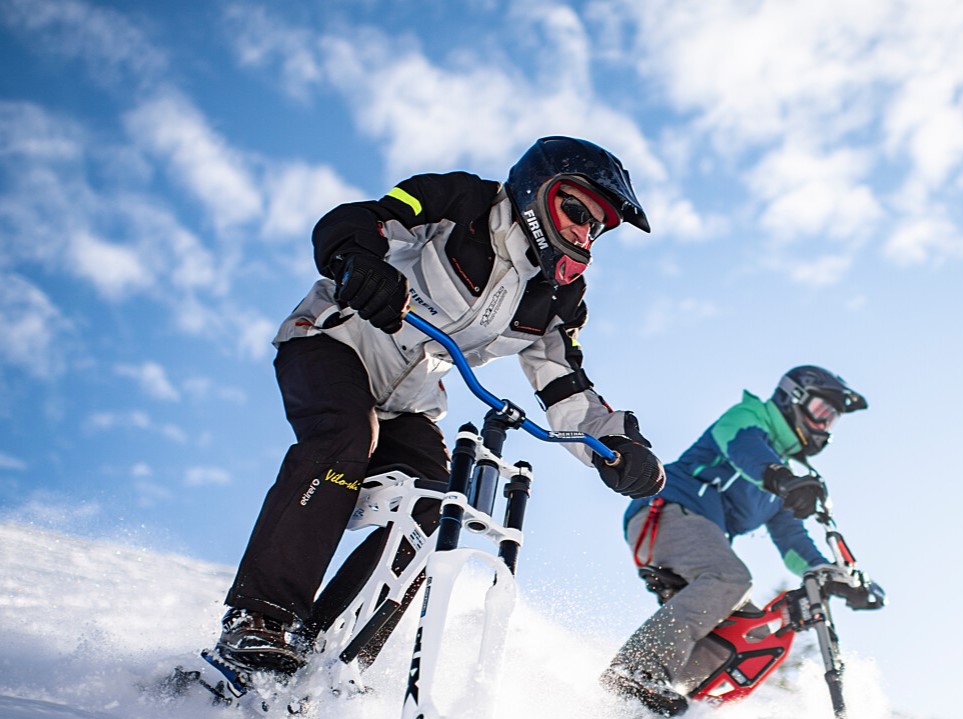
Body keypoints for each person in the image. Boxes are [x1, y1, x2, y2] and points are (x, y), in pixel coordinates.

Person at [210, 136, 665, 679]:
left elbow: (565, 384)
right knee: (343, 441)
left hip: (411, 401)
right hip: (337, 342)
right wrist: (358, 263)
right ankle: (259, 621)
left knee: (437, 503)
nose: (582, 233)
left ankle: (324, 656)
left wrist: (615, 448)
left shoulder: (554, 297)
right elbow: (361, 220)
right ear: (537, 189)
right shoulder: (458, 203)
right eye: (575, 211)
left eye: (596, 228)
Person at [600, 366, 868, 716]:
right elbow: (744, 448)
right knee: (731, 578)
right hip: (666, 511)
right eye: (821, 411)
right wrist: (780, 478)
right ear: (794, 399)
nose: (823, 425)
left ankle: (661, 706)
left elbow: (792, 539)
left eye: (831, 419)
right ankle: (636, 671)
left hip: (693, 534)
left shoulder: (779, 479)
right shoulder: (749, 417)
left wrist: (828, 572)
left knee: (750, 629)